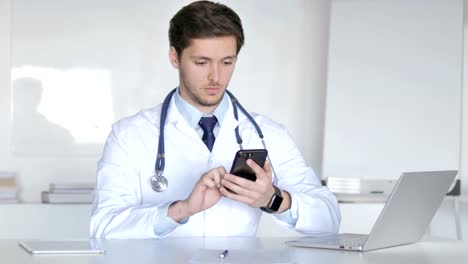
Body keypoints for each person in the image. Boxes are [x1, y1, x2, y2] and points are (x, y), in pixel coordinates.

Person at [90, 0, 340, 238]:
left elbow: (329, 218)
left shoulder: (268, 134)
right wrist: (182, 209)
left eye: (227, 62)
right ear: (175, 57)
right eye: (201, 62)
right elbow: (103, 227)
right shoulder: (129, 135)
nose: (215, 76)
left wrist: (272, 199)